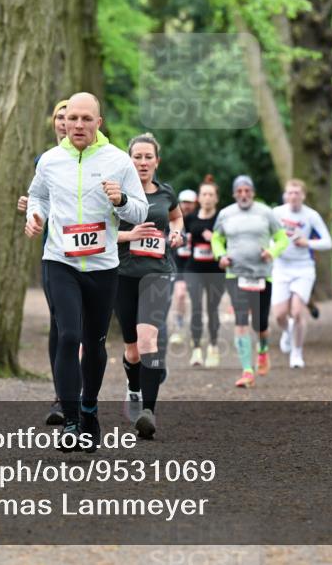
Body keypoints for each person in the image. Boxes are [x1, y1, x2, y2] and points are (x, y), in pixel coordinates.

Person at [25, 92, 149, 451]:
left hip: (102, 265)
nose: (76, 125)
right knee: (68, 336)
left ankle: (90, 409)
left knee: (95, 343)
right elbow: (39, 197)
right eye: (72, 118)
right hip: (59, 261)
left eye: (85, 119)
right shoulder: (49, 161)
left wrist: (122, 201)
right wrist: (35, 216)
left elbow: (140, 211)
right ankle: (72, 421)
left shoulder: (118, 162)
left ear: (99, 123)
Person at [114, 133, 184, 439]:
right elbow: (102, 234)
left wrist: (177, 234)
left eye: (148, 157)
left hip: (157, 271)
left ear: (157, 161)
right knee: (132, 351)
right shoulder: (116, 193)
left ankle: (148, 413)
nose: (142, 162)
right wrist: (130, 236)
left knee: (147, 340)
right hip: (122, 274)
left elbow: (177, 217)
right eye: (137, 157)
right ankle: (133, 386)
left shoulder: (166, 192)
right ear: (128, 160)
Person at [210, 175, 288, 387]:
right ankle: (247, 370)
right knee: (241, 322)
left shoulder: (266, 213)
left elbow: (282, 238)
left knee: (260, 324)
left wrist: (272, 251)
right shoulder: (226, 214)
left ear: (253, 192)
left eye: (247, 191)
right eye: (239, 191)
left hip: (263, 274)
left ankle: (262, 349)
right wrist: (221, 256)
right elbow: (216, 238)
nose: (243, 195)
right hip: (236, 274)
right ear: (234, 193)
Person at [19, 100, 69, 426]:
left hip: (94, 257)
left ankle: (82, 394)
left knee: (82, 329)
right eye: (60, 118)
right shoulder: (45, 161)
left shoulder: (103, 160)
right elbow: (39, 199)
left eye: (74, 117)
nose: (66, 123)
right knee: (61, 325)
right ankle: (62, 395)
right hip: (56, 253)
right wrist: (31, 209)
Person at [272, 179, 332, 368]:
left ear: (303, 196)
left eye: (297, 193)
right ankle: (287, 331)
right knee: (280, 315)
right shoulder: (276, 213)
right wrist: (271, 249)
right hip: (281, 267)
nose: (293, 196)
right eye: (289, 193)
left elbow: (328, 242)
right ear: (285, 195)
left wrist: (308, 243)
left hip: (304, 268)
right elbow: (266, 236)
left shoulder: (311, 216)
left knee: (297, 311)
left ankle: (297, 353)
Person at [185, 175, 225, 368]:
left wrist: (215, 238)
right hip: (194, 269)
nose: (207, 198)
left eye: (211, 194)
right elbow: (181, 240)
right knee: (196, 308)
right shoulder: (190, 218)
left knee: (212, 308)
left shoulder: (222, 218)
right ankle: (196, 349)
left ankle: (214, 346)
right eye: (204, 194)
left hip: (216, 271)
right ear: (198, 198)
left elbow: (231, 241)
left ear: (216, 198)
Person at [168, 190, 198, 347]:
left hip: (195, 265)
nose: (186, 206)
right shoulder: (173, 219)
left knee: (196, 299)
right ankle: (178, 329)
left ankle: (195, 331)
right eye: (184, 202)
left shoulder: (199, 219)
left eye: (189, 202)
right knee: (179, 295)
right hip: (178, 264)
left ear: (195, 204)